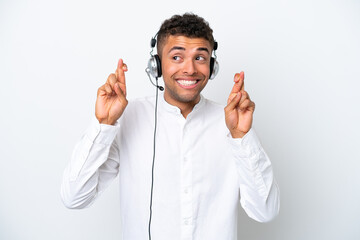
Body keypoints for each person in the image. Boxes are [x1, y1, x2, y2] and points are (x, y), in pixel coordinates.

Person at [61, 13, 280, 240]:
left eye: (200, 58)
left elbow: (265, 212)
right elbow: (75, 197)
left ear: (212, 66)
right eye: (177, 57)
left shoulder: (231, 123)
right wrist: (103, 125)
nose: (190, 69)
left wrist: (241, 137)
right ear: (156, 65)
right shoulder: (128, 118)